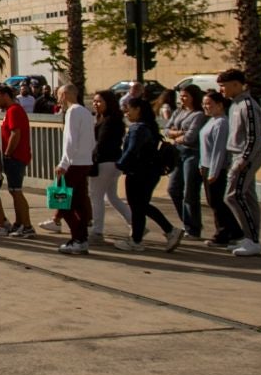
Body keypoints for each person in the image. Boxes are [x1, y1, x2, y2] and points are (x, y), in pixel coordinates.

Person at [108, 94, 183, 252]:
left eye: (128, 110)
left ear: (138, 109)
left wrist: (119, 165)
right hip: (150, 172)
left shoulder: (138, 128)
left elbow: (132, 150)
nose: (126, 113)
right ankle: (142, 237)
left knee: (138, 206)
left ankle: (141, 239)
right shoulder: (149, 126)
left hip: (138, 172)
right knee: (141, 206)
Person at [218, 68, 261, 257]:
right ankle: (251, 237)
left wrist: (244, 159)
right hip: (239, 155)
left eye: (224, 86)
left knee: (233, 196)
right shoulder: (235, 105)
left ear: (236, 84)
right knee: (248, 196)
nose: (221, 90)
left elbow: (253, 137)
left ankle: (251, 238)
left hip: (246, 157)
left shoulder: (247, 105)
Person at [51, 84, 94, 254]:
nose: (58, 98)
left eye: (59, 94)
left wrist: (63, 164)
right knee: (79, 203)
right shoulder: (85, 112)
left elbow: (70, 140)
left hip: (73, 163)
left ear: (67, 94)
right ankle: (81, 238)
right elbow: (91, 140)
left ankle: (78, 238)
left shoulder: (72, 112)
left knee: (61, 202)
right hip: (85, 162)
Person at [88, 89, 132, 244]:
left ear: (109, 103)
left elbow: (101, 144)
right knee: (112, 196)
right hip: (113, 162)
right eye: (94, 101)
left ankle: (97, 231)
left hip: (104, 162)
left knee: (96, 196)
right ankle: (135, 224)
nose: (95, 104)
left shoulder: (110, 121)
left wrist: (91, 159)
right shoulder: (106, 119)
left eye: (99, 101)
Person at [197, 90, 241, 247]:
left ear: (220, 105)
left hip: (216, 168)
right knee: (213, 201)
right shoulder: (212, 121)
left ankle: (223, 232)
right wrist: (201, 165)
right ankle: (233, 231)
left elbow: (219, 150)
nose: (206, 107)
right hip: (206, 165)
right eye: (204, 104)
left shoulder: (222, 123)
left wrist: (214, 171)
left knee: (217, 202)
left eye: (209, 104)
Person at [163, 84, 206, 239]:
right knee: (173, 189)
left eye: (185, 96)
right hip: (177, 153)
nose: (182, 99)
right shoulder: (179, 111)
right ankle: (187, 221)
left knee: (190, 191)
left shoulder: (199, 115)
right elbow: (166, 129)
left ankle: (193, 228)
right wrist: (179, 133)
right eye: (181, 96)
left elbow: (190, 138)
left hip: (192, 154)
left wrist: (178, 135)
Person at [0, 84, 35, 236]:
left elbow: (15, 133)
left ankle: (28, 226)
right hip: (14, 157)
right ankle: (19, 223)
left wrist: (8, 153)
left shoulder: (14, 111)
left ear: (6, 95)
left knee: (17, 192)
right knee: (13, 191)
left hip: (16, 157)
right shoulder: (10, 111)